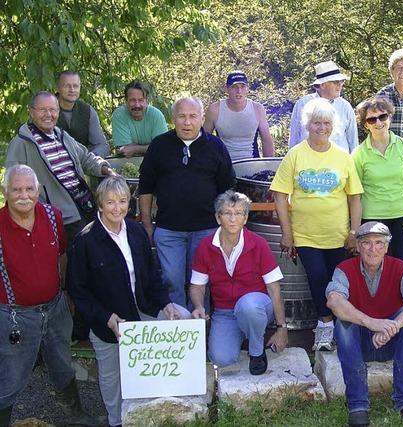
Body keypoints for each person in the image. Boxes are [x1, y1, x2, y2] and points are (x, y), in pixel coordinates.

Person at [66, 176, 186, 427]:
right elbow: (78, 291)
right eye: (110, 202)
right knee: (112, 378)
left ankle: (167, 408)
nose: (117, 208)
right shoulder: (85, 241)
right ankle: (116, 421)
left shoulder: (136, 230)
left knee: (182, 319)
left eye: (122, 201)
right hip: (109, 320)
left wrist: (165, 303)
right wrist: (106, 318)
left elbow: (153, 272)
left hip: (143, 308)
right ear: (99, 204)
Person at [0, 165, 101, 427]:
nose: (24, 195)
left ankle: (75, 415)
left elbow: (62, 255)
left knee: (62, 364)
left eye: (29, 189)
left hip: (56, 308)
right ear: (6, 192)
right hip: (15, 316)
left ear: (37, 191)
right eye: (17, 189)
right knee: (11, 375)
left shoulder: (52, 216)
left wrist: (66, 290)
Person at [271, 97, 363, 351]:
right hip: (305, 235)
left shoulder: (343, 157)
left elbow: (355, 197)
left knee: (336, 280)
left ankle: (340, 326)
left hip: (337, 234)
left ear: (333, 127)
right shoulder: (295, 154)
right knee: (317, 277)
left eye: (326, 123)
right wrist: (286, 233)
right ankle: (324, 325)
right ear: (306, 125)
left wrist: (354, 232)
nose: (321, 128)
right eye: (316, 123)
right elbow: (279, 194)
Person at [326, 222, 403, 427]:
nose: (373, 249)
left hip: (391, 343)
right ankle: (357, 405)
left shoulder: (401, 268)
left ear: (386, 246)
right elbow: (334, 301)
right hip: (360, 344)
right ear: (358, 246)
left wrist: (392, 326)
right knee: (343, 325)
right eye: (366, 243)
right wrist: (373, 323)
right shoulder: (344, 269)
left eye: (379, 243)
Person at [138, 96, 236, 308]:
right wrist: (147, 224)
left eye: (193, 116)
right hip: (168, 229)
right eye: (181, 116)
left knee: (200, 282)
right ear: (173, 119)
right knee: (171, 281)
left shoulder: (216, 147)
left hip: (207, 230)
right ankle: (179, 331)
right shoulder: (159, 145)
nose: (187, 122)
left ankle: (200, 327)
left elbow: (227, 189)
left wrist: (226, 226)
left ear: (202, 119)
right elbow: (145, 187)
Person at [189, 191, 287, 375]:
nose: (233, 219)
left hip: (257, 305)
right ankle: (246, 332)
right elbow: (197, 285)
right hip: (225, 312)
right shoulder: (205, 246)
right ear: (218, 218)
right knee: (221, 358)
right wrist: (198, 305)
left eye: (239, 213)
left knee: (248, 306)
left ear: (245, 218)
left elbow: (274, 290)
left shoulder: (258, 244)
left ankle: (256, 351)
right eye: (227, 213)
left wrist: (282, 328)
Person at [6, 91, 116, 241]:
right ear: (31, 112)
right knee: (72, 261)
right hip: (60, 218)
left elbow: (86, 158)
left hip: (86, 206)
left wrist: (106, 170)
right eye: (42, 110)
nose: (48, 114)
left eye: (52, 109)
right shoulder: (21, 143)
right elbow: (12, 185)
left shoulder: (62, 136)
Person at [352, 96, 403, 264]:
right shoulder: (358, 154)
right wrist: (356, 230)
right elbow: (355, 195)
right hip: (371, 219)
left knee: (402, 266)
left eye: (382, 117)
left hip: (402, 218)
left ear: (390, 117)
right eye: (372, 119)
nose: (378, 122)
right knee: (373, 267)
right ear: (365, 124)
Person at [204, 70, 275, 161]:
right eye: (234, 87)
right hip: (224, 165)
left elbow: (266, 140)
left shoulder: (257, 109)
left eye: (242, 86)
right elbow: (204, 140)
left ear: (247, 89)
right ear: (226, 88)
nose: (239, 91)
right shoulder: (215, 109)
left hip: (251, 163)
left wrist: (269, 167)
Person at [289, 60, 358, 153]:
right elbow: (294, 140)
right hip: (308, 163)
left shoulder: (345, 106)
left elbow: (353, 143)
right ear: (322, 85)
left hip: (339, 164)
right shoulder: (302, 104)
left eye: (341, 82)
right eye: (335, 82)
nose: (340, 85)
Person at [56, 70, 110, 157]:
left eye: (76, 86)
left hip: (84, 165)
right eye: (67, 86)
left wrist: (90, 159)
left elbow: (102, 146)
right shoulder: (46, 109)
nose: (72, 90)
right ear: (58, 88)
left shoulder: (87, 111)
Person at [111, 80, 168, 157]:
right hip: (128, 164)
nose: (137, 105)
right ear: (126, 101)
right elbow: (124, 151)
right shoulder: (119, 115)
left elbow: (162, 148)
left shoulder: (156, 115)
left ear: (147, 101)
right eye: (132, 100)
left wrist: (135, 149)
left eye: (141, 100)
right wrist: (151, 148)